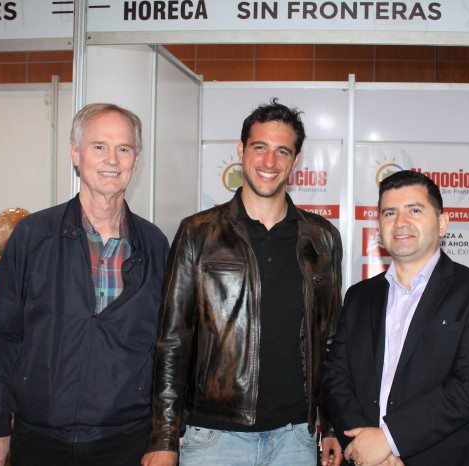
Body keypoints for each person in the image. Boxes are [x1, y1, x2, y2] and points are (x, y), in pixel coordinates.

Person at [142, 98, 344, 466]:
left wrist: (329, 425)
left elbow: (328, 341)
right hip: (213, 438)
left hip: (296, 437)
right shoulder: (197, 233)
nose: (270, 162)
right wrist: (164, 436)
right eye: (260, 148)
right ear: (241, 150)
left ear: (296, 161)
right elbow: (172, 341)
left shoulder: (323, 238)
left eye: (282, 151)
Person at [0, 103, 170, 466]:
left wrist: (166, 436)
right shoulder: (33, 237)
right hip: (39, 440)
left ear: (136, 159)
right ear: (75, 153)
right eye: (99, 146)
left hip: (127, 441)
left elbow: (168, 348)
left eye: (124, 149)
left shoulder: (155, 245)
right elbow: (1, 334)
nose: (111, 159)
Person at [322, 170, 469, 466]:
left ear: (443, 223)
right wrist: (363, 446)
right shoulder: (359, 296)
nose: (400, 222)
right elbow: (335, 375)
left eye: (415, 210)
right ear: (379, 226)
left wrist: (388, 440)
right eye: (389, 212)